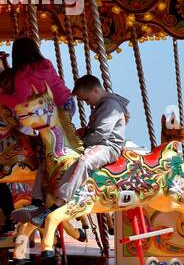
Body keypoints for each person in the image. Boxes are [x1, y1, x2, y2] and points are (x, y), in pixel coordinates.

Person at [14, 74, 129, 225]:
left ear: (95, 90)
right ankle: (37, 200)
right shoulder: (102, 105)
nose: (88, 104)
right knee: (50, 160)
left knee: (84, 161)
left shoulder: (110, 105)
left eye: (87, 99)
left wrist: (82, 143)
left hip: (108, 147)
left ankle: (58, 203)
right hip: (94, 143)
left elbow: (100, 134)